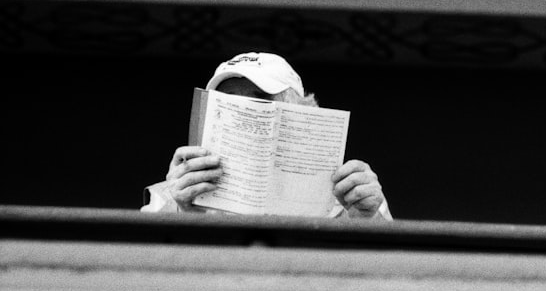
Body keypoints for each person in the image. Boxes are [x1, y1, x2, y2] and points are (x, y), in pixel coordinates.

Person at [141, 52, 391, 220]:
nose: (243, 113)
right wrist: (180, 209)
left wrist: (368, 220)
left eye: (260, 100)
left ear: (303, 114)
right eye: (227, 104)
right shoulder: (170, 194)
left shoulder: (349, 194)